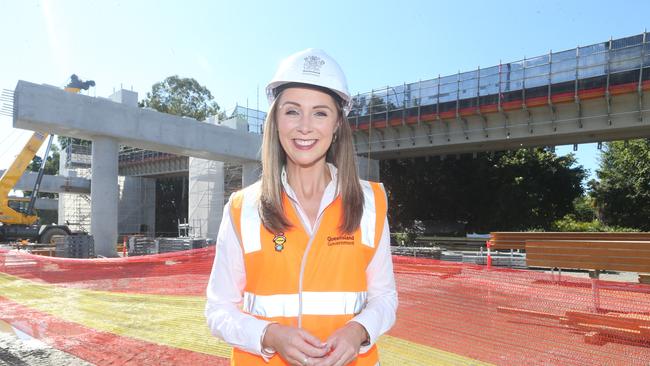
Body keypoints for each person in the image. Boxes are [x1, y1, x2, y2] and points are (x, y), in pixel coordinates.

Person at [205, 48, 397, 366]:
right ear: (276, 120)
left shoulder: (370, 203)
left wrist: (357, 330)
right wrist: (269, 334)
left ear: (337, 125)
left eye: (320, 113)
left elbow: (385, 298)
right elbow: (218, 310)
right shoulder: (243, 208)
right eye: (292, 111)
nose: (305, 126)